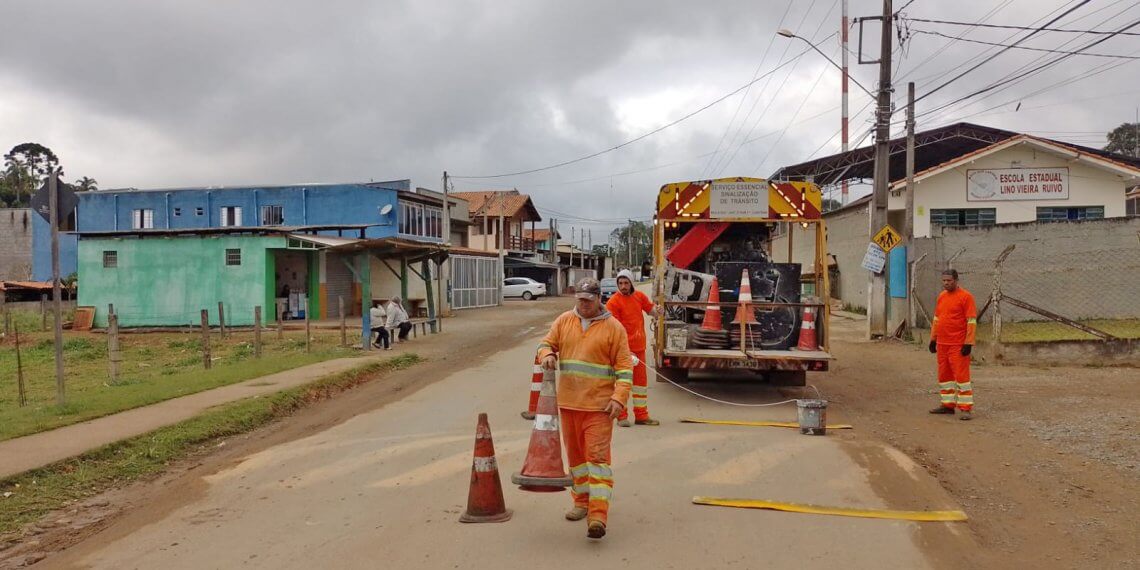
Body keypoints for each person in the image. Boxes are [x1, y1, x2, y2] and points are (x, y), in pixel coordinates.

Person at [537, 277, 633, 540]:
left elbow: (625, 369)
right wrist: (546, 355)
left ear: (598, 299)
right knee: (577, 462)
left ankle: (598, 516)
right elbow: (545, 344)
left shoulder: (614, 329)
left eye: (589, 301)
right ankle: (581, 502)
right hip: (569, 404)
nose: (584, 305)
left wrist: (619, 398)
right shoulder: (564, 321)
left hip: (599, 408)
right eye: (580, 300)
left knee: (598, 461)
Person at [606, 269, 663, 427]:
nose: (623, 286)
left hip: (639, 349)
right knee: (623, 383)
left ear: (631, 283)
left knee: (640, 385)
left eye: (626, 283)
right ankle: (621, 416)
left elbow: (651, 310)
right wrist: (625, 350)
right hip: (623, 351)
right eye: (620, 283)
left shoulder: (639, 297)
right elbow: (615, 329)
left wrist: (658, 312)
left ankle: (641, 416)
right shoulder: (613, 302)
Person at [928, 269, 978, 421]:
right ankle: (947, 405)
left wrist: (968, 342)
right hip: (943, 343)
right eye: (944, 281)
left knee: (961, 377)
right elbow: (937, 319)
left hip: (957, 344)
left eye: (949, 281)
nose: (946, 283)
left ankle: (965, 408)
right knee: (944, 375)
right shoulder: (941, 297)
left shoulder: (966, 297)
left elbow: (971, 321)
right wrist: (933, 339)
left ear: (956, 280)